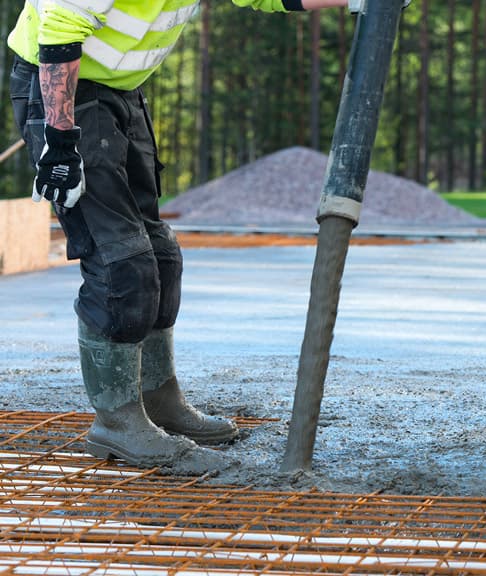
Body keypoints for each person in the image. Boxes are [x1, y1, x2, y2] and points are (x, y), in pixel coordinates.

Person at [6, 0, 366, 470]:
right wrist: (60, 139)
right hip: (63, 93)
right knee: (121, 263)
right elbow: (59, 30)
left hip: (120, 94)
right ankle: (116, 422)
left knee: (160, 256)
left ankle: (160, 400)